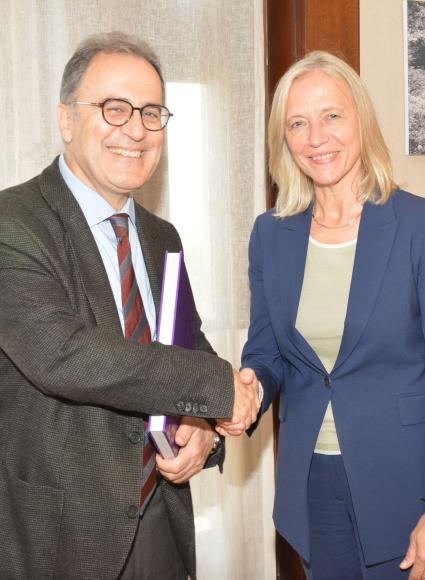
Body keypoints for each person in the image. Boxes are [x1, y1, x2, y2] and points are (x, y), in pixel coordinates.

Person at [0, 32, 260, 580]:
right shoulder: (12, 224)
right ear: (66, 120)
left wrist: (206, 432)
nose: (136, 130)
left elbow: (185, 348)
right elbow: (64, 355)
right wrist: (218, 387)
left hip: (161, 523)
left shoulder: (162, 237)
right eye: (114, 109)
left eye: (151, 112)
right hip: (58, 539)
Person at [228, 51, 425, 579]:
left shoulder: (420, 225)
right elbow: (268, 353)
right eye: (298, 123)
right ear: (283, 138)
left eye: (331, 116)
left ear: (360, 119)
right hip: (313, 487)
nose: (316, 137)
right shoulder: (271, 234)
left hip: (406, 485)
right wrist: (247, 391)